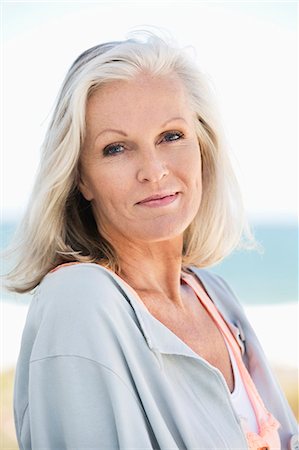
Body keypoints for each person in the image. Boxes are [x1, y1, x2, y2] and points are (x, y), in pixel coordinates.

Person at [6, 31, 297, 450]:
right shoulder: (78, 301)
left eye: (171, 136)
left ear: (202, 148)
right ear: (80, 177)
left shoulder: (212, 294)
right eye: (116, 148)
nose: (154, 170)